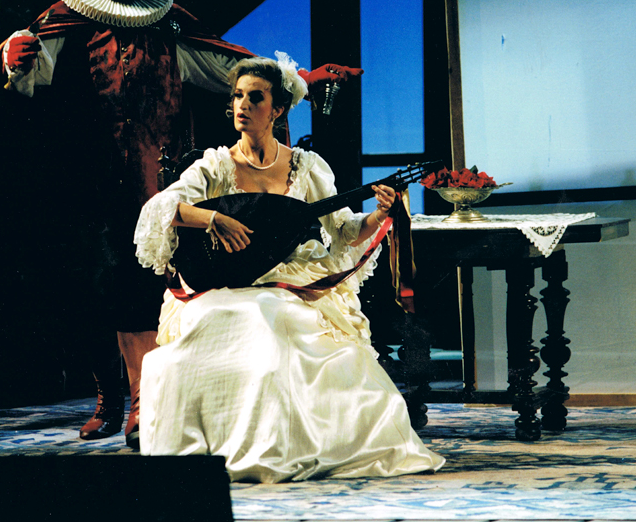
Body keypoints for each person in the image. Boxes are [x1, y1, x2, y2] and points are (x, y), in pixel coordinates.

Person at [0, 0, 359, 446]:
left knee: (142, 291)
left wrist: (300, 81)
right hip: (83, 184)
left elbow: (231, 69)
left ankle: (143, 404)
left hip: (155, 183)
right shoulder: (64, 25)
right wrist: (12, 60)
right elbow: (24, 78)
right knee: (88, 293)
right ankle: (109, 397)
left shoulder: (168, 30)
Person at [133, 54, 445, 482]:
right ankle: (222, 449)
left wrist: (378, 214)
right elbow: (159, 208)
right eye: (237, 96)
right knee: (222, 327)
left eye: (255, 98)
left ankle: (279, 449)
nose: (242, 105)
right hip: (225, 283)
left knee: (271, 319)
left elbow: (345, 231)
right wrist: (213, 218)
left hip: (288, 280)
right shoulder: (215, 165)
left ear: (278, 109)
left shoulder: (306, 167)